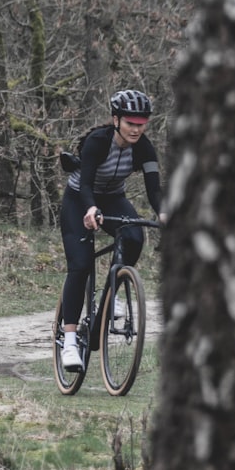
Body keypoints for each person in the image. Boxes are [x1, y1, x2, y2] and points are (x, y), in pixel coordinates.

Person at [58, 89, 162, 371]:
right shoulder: (97, 142)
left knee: (134, 235)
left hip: (114, 199)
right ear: (116, 120)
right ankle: (69, 343)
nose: (136, 129)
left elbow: (154, 190)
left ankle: (112, 293)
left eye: (142, 124)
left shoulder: (144, 148)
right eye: (131, 123)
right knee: (79, 266)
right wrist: (91, 209)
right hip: (80, 199)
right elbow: (87, 184)